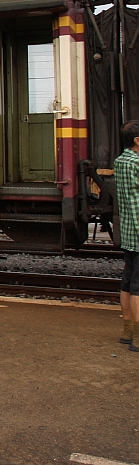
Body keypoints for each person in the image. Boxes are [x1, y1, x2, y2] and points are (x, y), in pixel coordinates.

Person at [113, 119, 139, 352]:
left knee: (128, 281)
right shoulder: (138, 163)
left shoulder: (120, 161)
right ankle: (138, 338)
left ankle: (128, 331)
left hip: (130, 232)